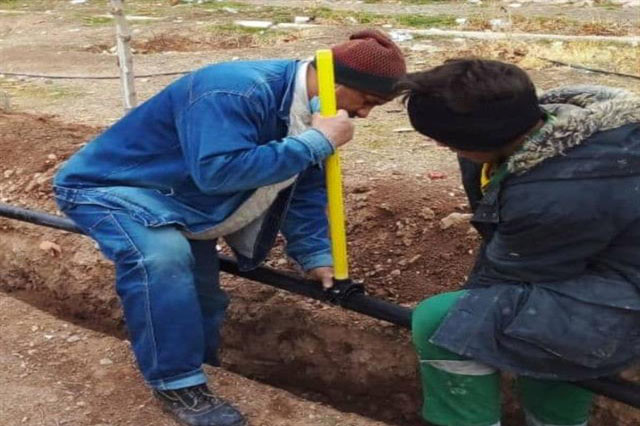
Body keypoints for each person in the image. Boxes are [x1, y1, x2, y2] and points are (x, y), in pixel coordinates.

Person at [53, 30, 406, 426]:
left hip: (177, 202)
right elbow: (218, 172)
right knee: (162, 259)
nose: (364, 115)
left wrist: (316, 256)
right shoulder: (234, 91)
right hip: (110, 188)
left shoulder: (315, 115)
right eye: (367, 101)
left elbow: (302, 189)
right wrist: (315, 143)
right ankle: (177, 384)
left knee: (202, 298)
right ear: (335, 83)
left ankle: (203, 368)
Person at [400, 59, 640, 426]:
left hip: (624, 301)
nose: (439, 145)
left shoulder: (553, 192)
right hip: (602, 275)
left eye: (444, 141)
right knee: (525, 319)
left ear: (473, 141)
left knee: (441, 323)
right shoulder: (549, 131)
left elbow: (512, 272)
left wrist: (469, 314)